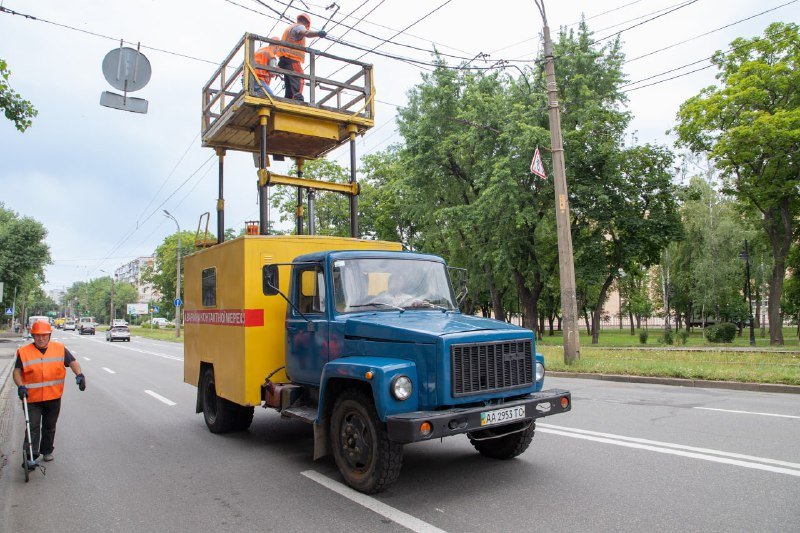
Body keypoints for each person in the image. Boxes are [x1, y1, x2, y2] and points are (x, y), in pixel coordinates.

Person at [13, 320, 85, 466]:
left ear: (49, 335)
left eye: (44, 335)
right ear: (33, 336)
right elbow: (17, 372)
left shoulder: (59, 348)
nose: (41, 338)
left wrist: (79, 375)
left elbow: (73, 362)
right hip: (31, 398)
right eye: (38, 335)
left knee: (49, 426)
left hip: (53, 397)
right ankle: (30, 456)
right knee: (32, 426)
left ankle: (46, 451)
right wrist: (21, 386)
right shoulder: (24, 352)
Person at [275, 13, 327, 101]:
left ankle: (289, 98)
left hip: (283, 59)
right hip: (291, 58)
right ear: (307, 23)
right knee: (299, 78)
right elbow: (306, 33)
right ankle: (298, 98)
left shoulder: (290, 27)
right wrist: (318, 33)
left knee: (289, 80)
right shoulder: (300, 27)